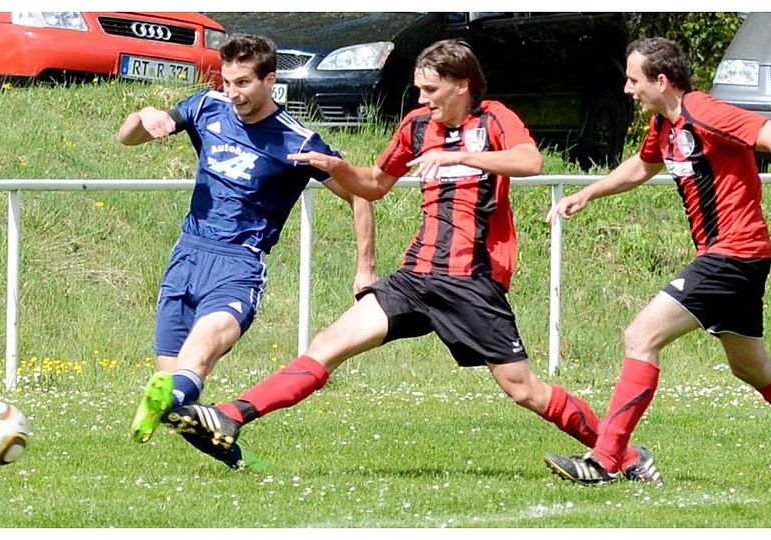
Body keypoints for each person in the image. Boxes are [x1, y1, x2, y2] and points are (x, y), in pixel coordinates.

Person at [160, 39, 662, 482]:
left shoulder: (494, 119)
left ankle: (623, 454)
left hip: (471, 282)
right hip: (416, 275)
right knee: (329, 342)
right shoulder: (417, 126)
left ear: (462, 86)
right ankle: (230, 415)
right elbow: (374, 185)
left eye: (430, 90)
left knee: (524, 389)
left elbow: (531, 162)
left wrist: (463, 157)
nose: (421, 100)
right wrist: (339, 168)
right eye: (418, 90)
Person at [542, 37, 771, 488]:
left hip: (733, 255)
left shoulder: (704, 111)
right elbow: (641, 166)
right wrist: (588, 193)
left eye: (634, 80)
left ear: (661, 80)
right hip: (733, 258)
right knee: (750, 366)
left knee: (640, 336)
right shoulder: (665, 127)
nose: (628, 89)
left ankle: (606, 459)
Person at [118, 33, 377, 461]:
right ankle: (239, 460)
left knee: (197, 356)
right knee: (176, 402)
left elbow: (361, 194)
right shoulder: (205, 107)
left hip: (238, 266)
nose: (232, 93)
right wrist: (142, 116)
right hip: (187, 255)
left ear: (269, 80)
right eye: (226, 81)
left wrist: (364, 266)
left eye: (242, 83)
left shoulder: (296, 142)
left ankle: (175, 404)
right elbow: (126, 138)